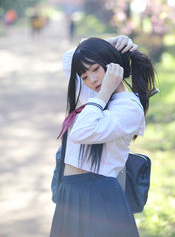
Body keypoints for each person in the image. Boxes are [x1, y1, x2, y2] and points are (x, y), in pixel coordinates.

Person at [49, 35, 156, 237]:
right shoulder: (94, 95)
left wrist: (105, 91)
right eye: (85, 76)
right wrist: (112, 41)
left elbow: (82, 132)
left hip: (99, 196)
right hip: (71, 193)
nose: (92, 79)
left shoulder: (129, 108)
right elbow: (69, 59)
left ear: (112, 64)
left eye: (96, 69)